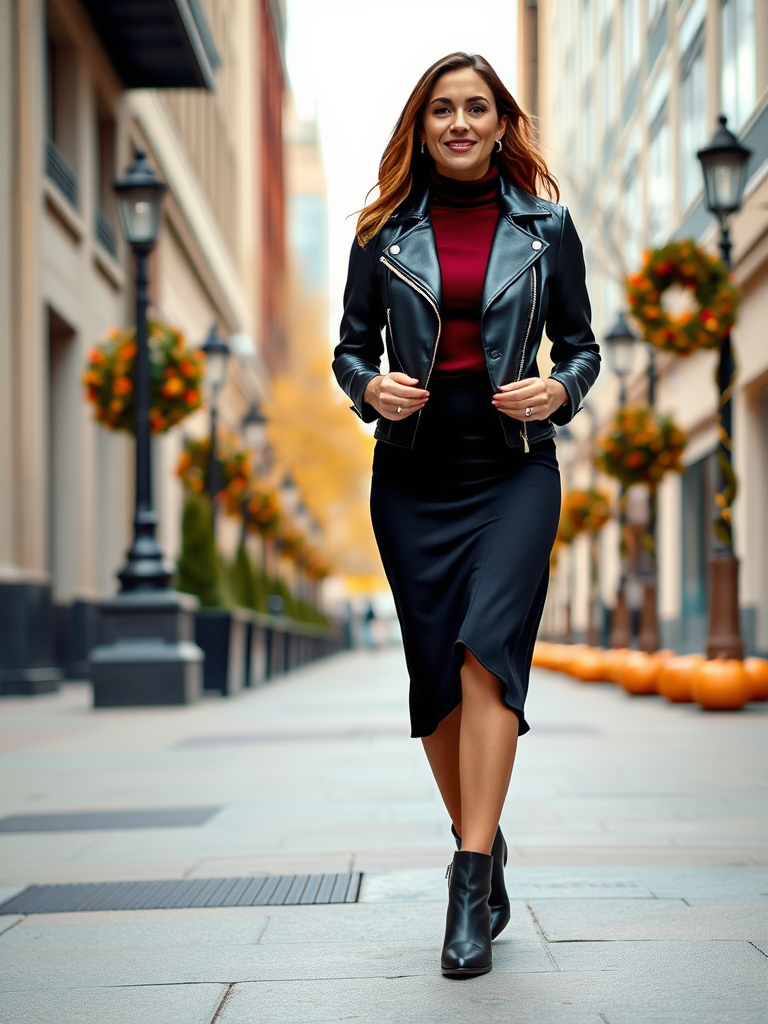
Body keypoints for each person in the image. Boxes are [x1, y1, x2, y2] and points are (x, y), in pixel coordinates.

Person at [333, 52, 600, 977]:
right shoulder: (381, 232)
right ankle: (482, 838)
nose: (458, 122)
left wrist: (558, 391)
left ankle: (469, 874)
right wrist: (372, 387)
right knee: (435, 675)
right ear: (423, 124)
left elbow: (583, 345)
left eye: (475, 108)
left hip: (514, 470)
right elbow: (348, 348)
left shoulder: (545, 227)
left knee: (489, 653)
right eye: (442, 109)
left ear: (500, 123)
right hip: (411, 478)